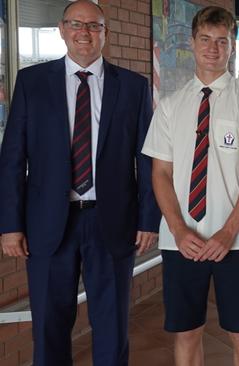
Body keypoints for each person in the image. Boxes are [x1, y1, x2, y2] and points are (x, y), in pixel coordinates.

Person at [0, 1, 160, 365]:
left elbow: (146, 159)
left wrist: (148, 220)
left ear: (105, 33)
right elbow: (12, 159)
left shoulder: (134, 87)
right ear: (61, 29)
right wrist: (10, 226)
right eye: (76, 24)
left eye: (94, 26)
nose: (84, 32)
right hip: (47, 223)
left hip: (113, 221)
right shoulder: (32, 83)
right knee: (49, 324)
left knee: (112, 324)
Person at [142, 6, 239, 366]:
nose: (213, 49)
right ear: (192, 42)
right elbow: (160, 175)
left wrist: (229, 232)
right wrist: (180, 230)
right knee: (187, 332)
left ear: (232, 46)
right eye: (205, 40)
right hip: (182, 242)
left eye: (222, 41)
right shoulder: (169, 106)